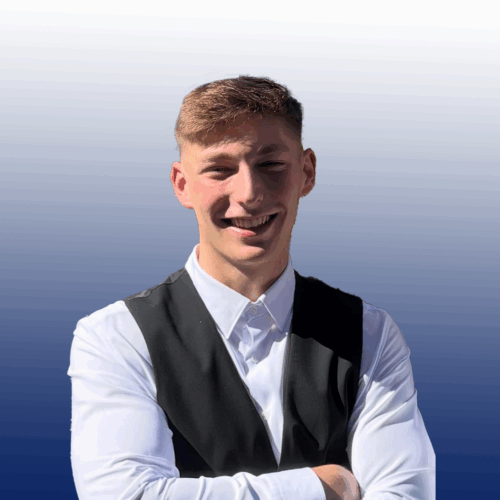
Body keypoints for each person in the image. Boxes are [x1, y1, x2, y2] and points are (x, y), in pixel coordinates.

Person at [68, 75, 435, 500]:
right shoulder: (116, 337)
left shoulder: (371, 334)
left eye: (270, 165)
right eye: (219, 170)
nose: (249, 193)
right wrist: (326, 486)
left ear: (307, 172)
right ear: (182, 184)